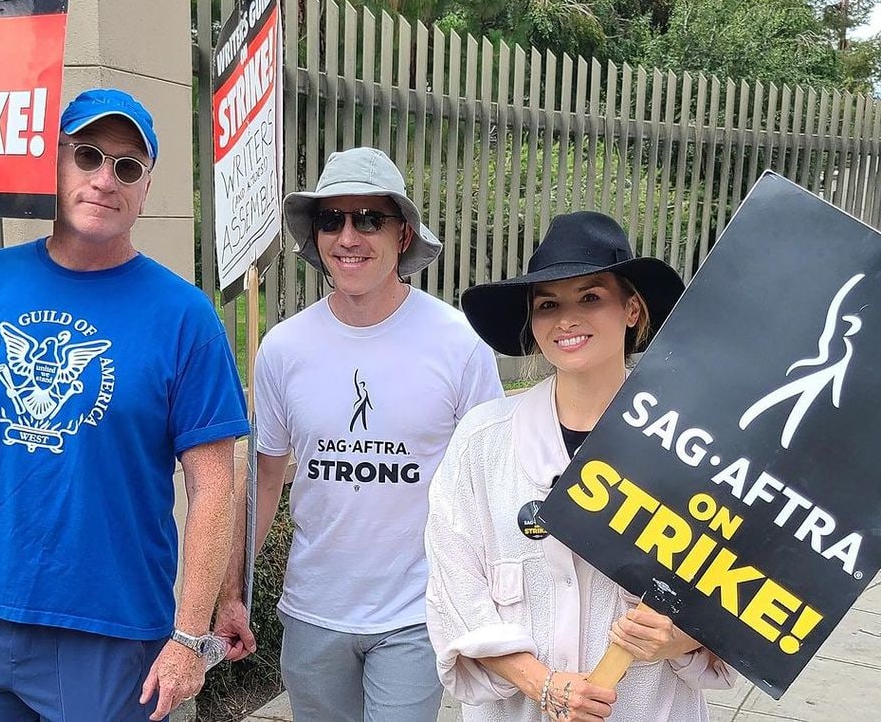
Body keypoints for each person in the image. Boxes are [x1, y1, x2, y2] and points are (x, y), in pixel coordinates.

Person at [0, 88, 250, 721]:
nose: (105, 179)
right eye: (86, 155)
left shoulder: (184, 317)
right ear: (52, 163)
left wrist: (190, 637)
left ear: (143, 188)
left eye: (127, 166)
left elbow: (216, 483)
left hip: (115, 637)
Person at [214, 147, 504, 721]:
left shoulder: (458, 344)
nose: (349, 236)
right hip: (313, 612)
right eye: (332, 219)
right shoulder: (283, 349)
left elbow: (491, 478)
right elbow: (263, 477)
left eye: (369, 218)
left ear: (403, 234)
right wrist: (231, 590)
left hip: (415, 614)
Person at [424, 211, 737, 721]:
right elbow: (455, 587)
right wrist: (541, 683)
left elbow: (734, 588)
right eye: (548, 304)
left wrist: (677, 638)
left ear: (632, 309)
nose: (566, 319)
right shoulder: (483, 442)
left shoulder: (692, 447)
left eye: (590, 297)